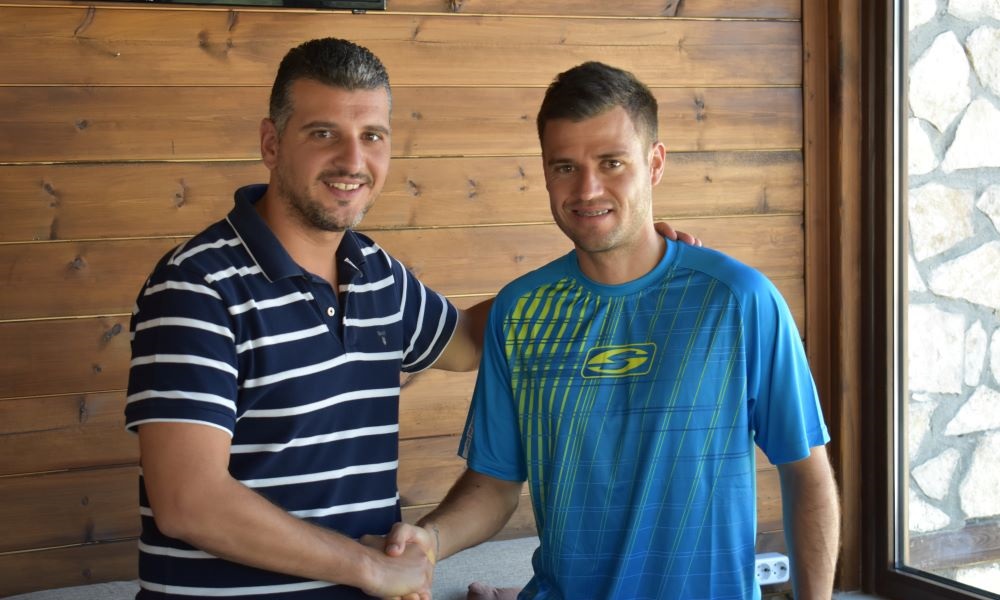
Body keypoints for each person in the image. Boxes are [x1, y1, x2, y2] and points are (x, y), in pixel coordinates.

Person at [125, 37, 697, 600]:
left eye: (371, 136)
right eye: (323, 133)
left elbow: (473, 339)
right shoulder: (196, 286)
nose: (353, 161)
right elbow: (188, 502)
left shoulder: (375, 273)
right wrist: (368, 569)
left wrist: (617, 259)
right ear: (272, 144)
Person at [382, 61, 841, 600]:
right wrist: (430, 540)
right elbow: (496, 483)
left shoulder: (739, 300)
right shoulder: (518, 312)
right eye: (565, 166)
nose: (588, 188)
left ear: (655, 163)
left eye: (612, 162)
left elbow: (806, 472)